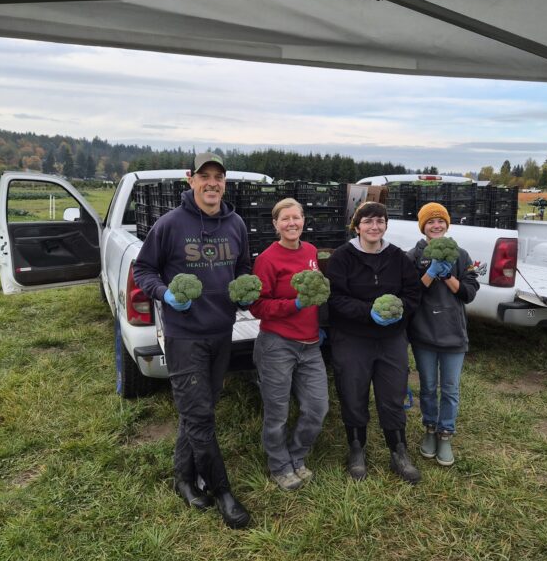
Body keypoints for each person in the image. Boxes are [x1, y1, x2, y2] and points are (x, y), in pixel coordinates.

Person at [133, 152, 252, 529]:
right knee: (200, 416)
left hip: (221, 331)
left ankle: (182, 478)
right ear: (191, 180)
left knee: (198, 409)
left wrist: (246, 291)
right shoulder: (170, 224)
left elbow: (244, 266)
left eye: (218, 176)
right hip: (185, 336)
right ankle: (223, 492)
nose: (212, 182)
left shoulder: (236, 224)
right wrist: (164, 293)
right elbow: (143, 268)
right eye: (205, 176)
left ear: (224, 183)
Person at [326, 201, 423, 484]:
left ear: (385, 226)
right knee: (353, 392)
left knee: (392, 395)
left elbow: (413, 293)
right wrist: (369, 312)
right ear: (357, 226)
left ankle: (398, 451)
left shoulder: (397, 257)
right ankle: (356, 448)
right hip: (352, 338)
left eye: (379, 221)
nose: (374, 227)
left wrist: (397, 311)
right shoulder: (343, 257)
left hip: (391, 338)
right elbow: (335, 299)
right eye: (368, 221)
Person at [248, 198, 329, 491]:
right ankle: (279, 465)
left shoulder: (309, 251)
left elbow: (317, 288)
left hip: (310, 345)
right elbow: (258, 306)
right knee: (277, 412)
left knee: (317, 407)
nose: (291, 223)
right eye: (285, 219)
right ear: (275, 224)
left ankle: (297, 455)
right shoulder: (267, 259)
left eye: (296, 217)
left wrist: (319, 320)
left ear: (303, 220)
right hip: (277, 344)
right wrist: (294, 304)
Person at [406, 203, 479, 466]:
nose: (436, 226)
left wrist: (448, 276)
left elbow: (469, 293)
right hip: (424, 333)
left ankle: (445, 434)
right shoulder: (413, 255)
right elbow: (410, 295)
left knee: (449, 389)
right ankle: (429, 429)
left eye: (440, 221)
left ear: (447, 224)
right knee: (427, 388)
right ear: (422, 226)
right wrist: (429, 273)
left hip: (453, 333)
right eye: (430, 222)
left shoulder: (460, 254)